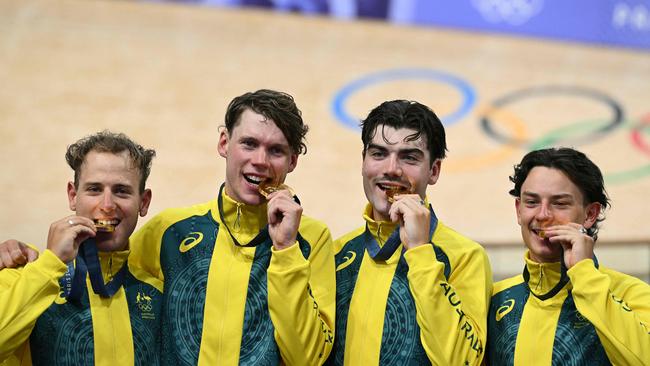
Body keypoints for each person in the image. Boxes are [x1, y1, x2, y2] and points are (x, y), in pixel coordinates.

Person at [126, 89, 335, 365]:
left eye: (276, 150)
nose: (260, 161)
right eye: (249, 143)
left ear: (292, 160)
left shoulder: (311, 240)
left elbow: (307, 357)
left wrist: (286, 249)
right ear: (224, 143)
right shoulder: (170, 230)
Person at [328, 100, 492, 365]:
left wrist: (420, 254)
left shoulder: (465, 257)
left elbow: (461, 360)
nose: (391, 168)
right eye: (379, 154)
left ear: (434, 170)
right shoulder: (336, 253)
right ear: (363, 161)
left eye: (409, 157)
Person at [0, 131, 161, 365]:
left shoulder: (158, 290)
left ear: (143, 202)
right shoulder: (23, 272)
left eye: (121, 191)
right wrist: (50, 264)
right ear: (73, 195)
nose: (107, 205)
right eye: (94, 189)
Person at [486, 147, 650, 365]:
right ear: (518, 209)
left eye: (560, 203)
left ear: (590, 214)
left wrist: (583, 273)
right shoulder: (494, 299)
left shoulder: (632, 293)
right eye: (532, 202)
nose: (543, 215)